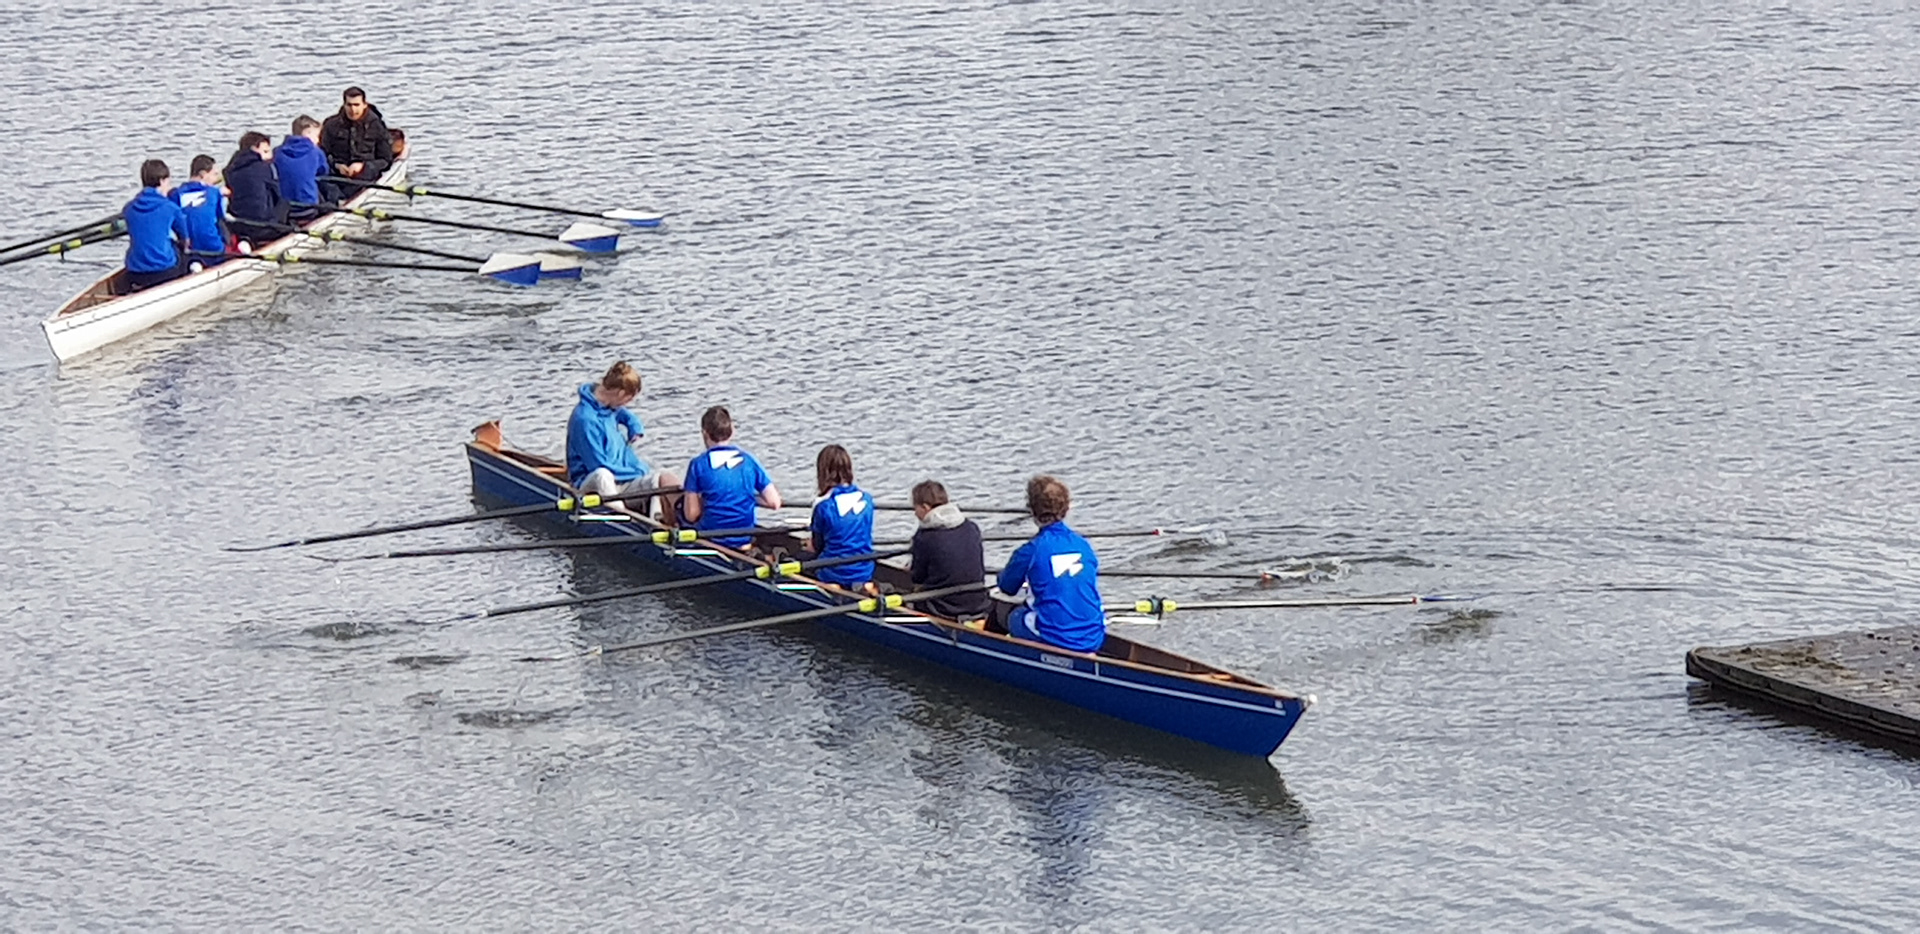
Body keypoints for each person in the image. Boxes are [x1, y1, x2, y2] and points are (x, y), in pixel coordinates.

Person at [993, 475, 1105, 653]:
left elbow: (1007, 588)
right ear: (1066, 509)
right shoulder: (1083, 545)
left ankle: (989, 650)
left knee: (1009, 613)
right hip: (1095, 637)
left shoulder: (1031, 549)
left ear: (1032, 510)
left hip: (1056, 639)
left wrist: (1003, 575)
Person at [566, 361, 677, 515]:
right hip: (589, 483)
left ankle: (655, 521)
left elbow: (626, 415)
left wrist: (634, 426)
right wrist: (636, 472)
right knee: (603, 475)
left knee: (656, 479)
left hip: (621, 481)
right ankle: (621, 518)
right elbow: (598, 465)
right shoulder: (584, 420)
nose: (627, 404)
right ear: (620, 393)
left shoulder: (609, 405)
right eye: (629, 399)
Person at [681, 406, 781, 550]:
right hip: (744, 539)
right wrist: (748, 498)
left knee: (676, 504)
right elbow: (774, 503)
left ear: (704, 434)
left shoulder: (698, 464)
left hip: (711, 540)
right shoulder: (749, 461)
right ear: (732, 431)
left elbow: (691, 515)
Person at [907, 480, 992, 621]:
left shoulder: (924, 537)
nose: (915, 513)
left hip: (943, 609)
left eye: (915, 508)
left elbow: (917, 578)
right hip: (979, 602)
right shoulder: (971, 527)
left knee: (911, 595)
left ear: (925, 507)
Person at [804, 445, 875, 590]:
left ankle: (832, 585)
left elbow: (817, 547)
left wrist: (810, 545)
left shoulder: (822, 504)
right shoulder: (867, 500)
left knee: (800, 558)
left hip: (831, 572)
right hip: (864, 571)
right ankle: (865, 586)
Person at [122, 159, 191, 291]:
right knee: (182, 253)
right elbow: (185, 239)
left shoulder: (128, 208)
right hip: (164, 272)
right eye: (168, 182)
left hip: (135, 273)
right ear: (161, 181)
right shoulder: (171, 207)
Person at [224, 131, 286, 248]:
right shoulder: (266, 167)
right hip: (263, 227)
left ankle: (244, 240)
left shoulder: (229, 169)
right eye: (266, 152)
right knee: (285, 203)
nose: (270, 156)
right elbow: (278, 195)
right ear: (253, 149)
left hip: (238, 225)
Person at [320, 86, 393, 183]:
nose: (353, 110)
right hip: (337, 175)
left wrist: (363, 166)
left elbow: (386, 160)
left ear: (364, 105)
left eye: (356, 105)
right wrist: (336, 165)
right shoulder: (331, 125)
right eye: (349, 105)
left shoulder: (376, 125)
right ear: (344, 105)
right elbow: (322, 154)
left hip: (366, 176)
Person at [167, 154, 228, 265]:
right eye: (214, 174)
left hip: (190, 250)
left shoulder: (175, 194)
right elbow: (221, 219)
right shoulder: (214, 192)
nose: (216, 179)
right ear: (203, 175)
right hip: (214, 248)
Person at [276, 115, 330, 220]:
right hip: (309, 209)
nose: (318, 140)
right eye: (317, 136)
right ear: (308, 133)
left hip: (285, 210)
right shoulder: (316, 152)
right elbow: (324, 171)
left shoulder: (277, 152)